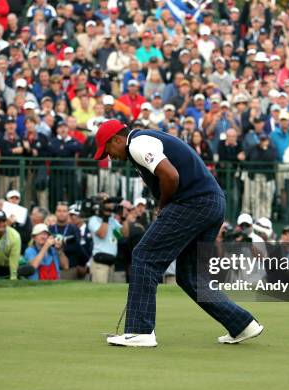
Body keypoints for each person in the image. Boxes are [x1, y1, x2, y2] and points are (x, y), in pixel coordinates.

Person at [93, 120, 261, 347]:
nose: (109, 157)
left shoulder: (137, 144)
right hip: (212, 203)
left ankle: (140, 331)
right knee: (190, 275)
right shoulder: (141, 142)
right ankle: (242, 324)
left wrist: (164, 206)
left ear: (116, 139)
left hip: (194, 202)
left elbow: (170, 176)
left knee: (144, 256)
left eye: (108, 150)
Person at [49, 202, 82, 279]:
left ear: (68, 213)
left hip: (70, 268)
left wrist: (60, 246)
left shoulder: (74, 229)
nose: (61, 213)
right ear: (55, 213)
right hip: (52, 267)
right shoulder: (50, 229)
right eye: (59, 211)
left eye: (64, 211)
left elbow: (77, 247)